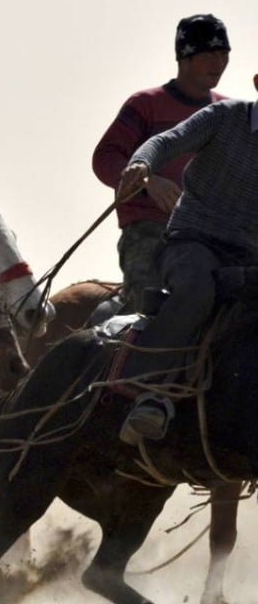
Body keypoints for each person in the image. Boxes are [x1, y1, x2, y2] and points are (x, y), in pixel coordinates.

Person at [115, 70, 258, 446]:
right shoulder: (226, 117)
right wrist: (143, 165)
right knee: (197, 290)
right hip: (193, 241)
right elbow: (167, 140)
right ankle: (151, 394)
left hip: (247, 259)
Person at [93, 14, 230, 313]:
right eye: (209, 54)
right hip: (150, 231)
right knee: (148, 312)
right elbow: (105, 159)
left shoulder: (228, 113)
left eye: (224, 54)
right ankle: (125, 355)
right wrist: (147, 181)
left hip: (211, 237)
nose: (218, 63)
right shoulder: (145, 105)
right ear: (185, 57)